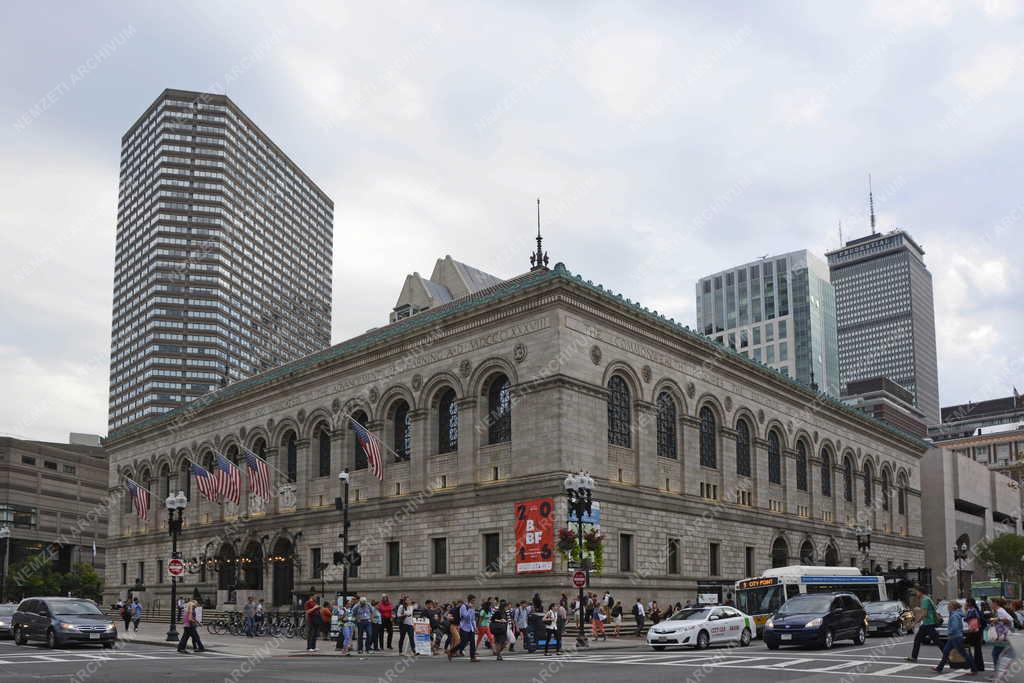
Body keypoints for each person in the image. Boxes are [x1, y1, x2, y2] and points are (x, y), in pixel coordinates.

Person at [934, 601, 977, 675]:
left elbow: (955, 627)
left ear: (952, 607)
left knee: (963, 653)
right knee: (946, 652)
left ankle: (974, 668)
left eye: (949, 606)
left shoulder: (955, 616)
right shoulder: (954, 614)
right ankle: (939, 667)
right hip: (953, 637)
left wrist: (949, 632)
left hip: (956, 637)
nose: (947, 607)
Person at [906, 586, 940, 662]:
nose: (916, 594)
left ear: (921, 592)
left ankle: (948, 657)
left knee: (937, 641)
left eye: (917, 592)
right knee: (918, 639)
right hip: (927, 624)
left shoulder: (925, 600)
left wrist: (914, 623)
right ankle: (914, 657)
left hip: (928, 623)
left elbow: (924, 614)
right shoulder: (927, 599)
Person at [964, 597, 986, 672]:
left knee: (965, 645)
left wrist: (972, 629)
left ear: (969, 603)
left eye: (966, 602)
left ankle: (973, 665)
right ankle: (979, 666)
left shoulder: (972, 610)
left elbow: (971, 620)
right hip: (977, 631)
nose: (965, 604)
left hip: (974, 631)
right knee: (977, 649)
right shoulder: (975, 610)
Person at [456, 594, 479, 662]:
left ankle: (473, 657)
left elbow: (472, 619)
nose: (474, 601)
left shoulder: (472, 607)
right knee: (464, 642)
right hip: (464, 627)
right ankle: (452, 651)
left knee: (472, 642)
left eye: (475, 600)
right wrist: (469, 609)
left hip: (470, 628)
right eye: (473, 600)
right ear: (470, 600)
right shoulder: (463, 607)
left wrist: (475, 627)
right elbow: (465, 616)